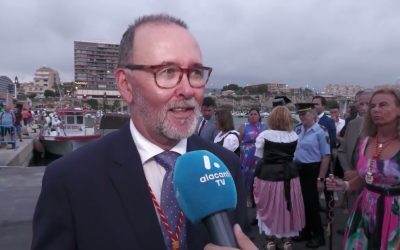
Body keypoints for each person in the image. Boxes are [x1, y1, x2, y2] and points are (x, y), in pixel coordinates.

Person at [32, 14, 248, 250]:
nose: (187, 90)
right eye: (167, 72)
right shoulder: (69, 180)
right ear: (126, 85)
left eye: (195, 73)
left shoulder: (227, 167)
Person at [326, 87, 400, 249]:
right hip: (365, 211)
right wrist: (345, 185)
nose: (375, 110)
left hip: (395, 215)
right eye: (373, 106)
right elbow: (367, 176)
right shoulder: (366, 141)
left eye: (383, 105)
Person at [253, 106, 305, 250]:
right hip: (289, 176)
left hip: (268, 176)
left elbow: (259, 155)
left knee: (268, 206)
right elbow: (293, 156)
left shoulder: (264, 135)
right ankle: (287, 240)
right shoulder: (294, 136)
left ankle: (270, 240)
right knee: (287, 206)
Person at [293, 103, 331, 248]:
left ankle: (318, 236)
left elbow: (326, 156)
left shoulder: (321, 131)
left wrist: (320, 179)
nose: (302, 117)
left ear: (313, 115)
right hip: (298, 170)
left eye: (305, 114)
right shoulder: (297, 129)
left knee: (312, 205)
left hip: (313, 170)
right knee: (301, 204)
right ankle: (305, 231)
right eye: (300, 114)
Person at [238, 107, 266, 207]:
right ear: (248, 116)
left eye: (255, 114)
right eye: (251, 114)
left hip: (259, 157)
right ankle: (246, 197)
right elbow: (237, 141)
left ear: (259, 116)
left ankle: (257, 198)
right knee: (245, 177)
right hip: (246, 157)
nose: (253, 116)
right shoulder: (243, 126)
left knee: (257, 177)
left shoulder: (263, 127)